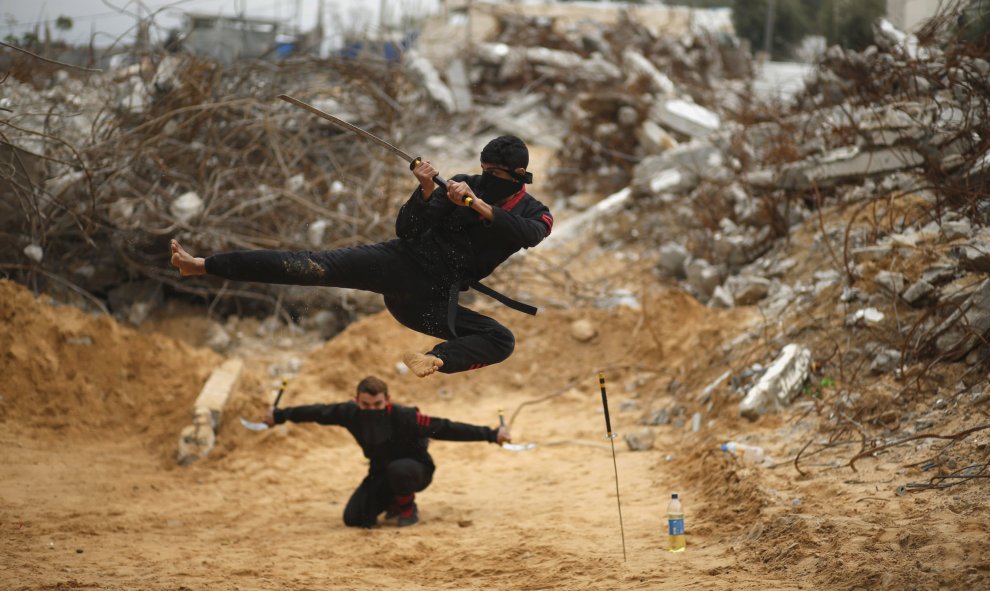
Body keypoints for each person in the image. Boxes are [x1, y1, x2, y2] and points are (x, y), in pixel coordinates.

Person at [171, 135, 553, 377]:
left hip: (431, 299)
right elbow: (408, 229)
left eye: (494, 173)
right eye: (483, 169)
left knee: (500, 339)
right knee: (311, 266)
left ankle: (437, 359)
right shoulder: (462, 183)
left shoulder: (534, 211)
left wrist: (479, 206)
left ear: (518, 174)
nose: (485, 177)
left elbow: (529, 234)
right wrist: (424, 190)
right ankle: (203, 265)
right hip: (398, 263)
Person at [263, 375, 511, 528]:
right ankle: (393, 500)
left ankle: (407, 509)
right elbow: (317, 412)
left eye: (378, 404)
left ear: (387, 400)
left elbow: (446, 427)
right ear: (356, 400)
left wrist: (491, 434)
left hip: (416, 470)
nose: (372, 409)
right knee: (355, 519)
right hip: (381, 472)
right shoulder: (349, 413)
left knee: (399, 469)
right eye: (366, 404)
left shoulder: (405, 416)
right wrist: (280, 415)